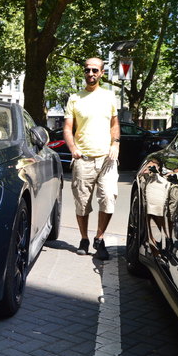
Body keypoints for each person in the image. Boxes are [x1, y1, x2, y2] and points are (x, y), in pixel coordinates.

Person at [63, 57, 120, 260]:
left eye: (95, 70)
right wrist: (73, 149)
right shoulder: (75, 99)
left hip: (106, 159)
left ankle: (100, 238)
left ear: (102, 73)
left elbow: (115, 124)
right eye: (87, 70)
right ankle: (84, 239)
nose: (90, 74)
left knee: (108, 198)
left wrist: (116, 143)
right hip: (83, 159)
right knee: (82, 203)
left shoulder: (109, 97)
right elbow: (68, 128)